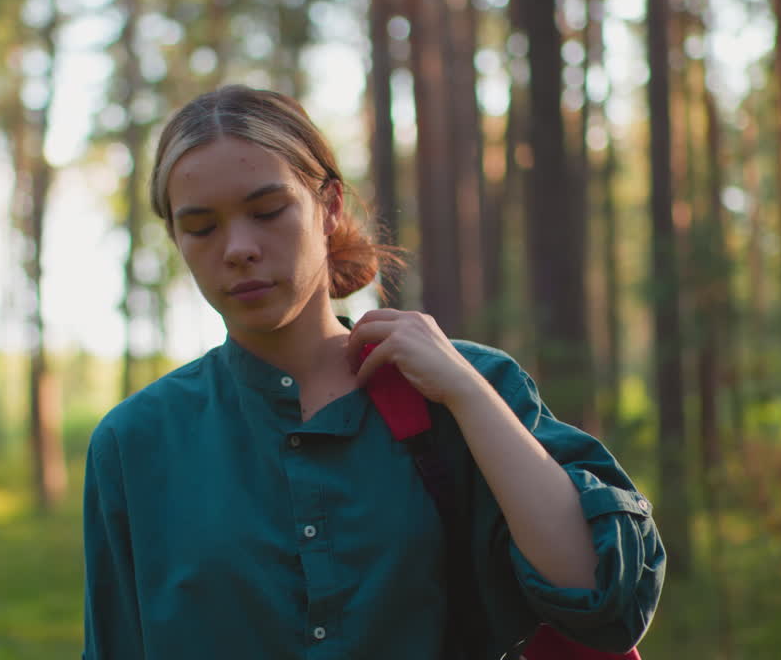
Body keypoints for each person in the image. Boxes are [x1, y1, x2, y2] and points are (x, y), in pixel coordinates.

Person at [81, 85, 664, 660]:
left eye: (267, 211)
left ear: (330, 207)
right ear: (175, 238)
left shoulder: (463, 389)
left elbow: (603, 603)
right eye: (202, 227)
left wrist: (467, 393)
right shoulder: (134, 443)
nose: (238, 248)